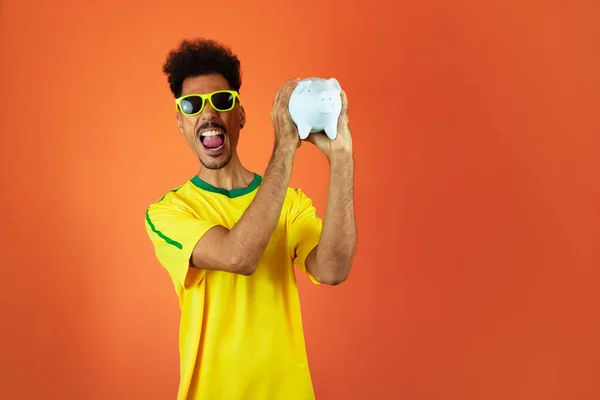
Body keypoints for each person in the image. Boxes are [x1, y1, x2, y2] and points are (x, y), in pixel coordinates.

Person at [144, 37, 357, 400]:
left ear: (240, 115)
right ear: (180, 122)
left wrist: (342, 159)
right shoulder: (168, 212)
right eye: (193, 105)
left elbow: (332, 269)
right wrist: (285, 146)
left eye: (222, 101)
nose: (208, 114)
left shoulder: (289, 203)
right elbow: (237, 256)